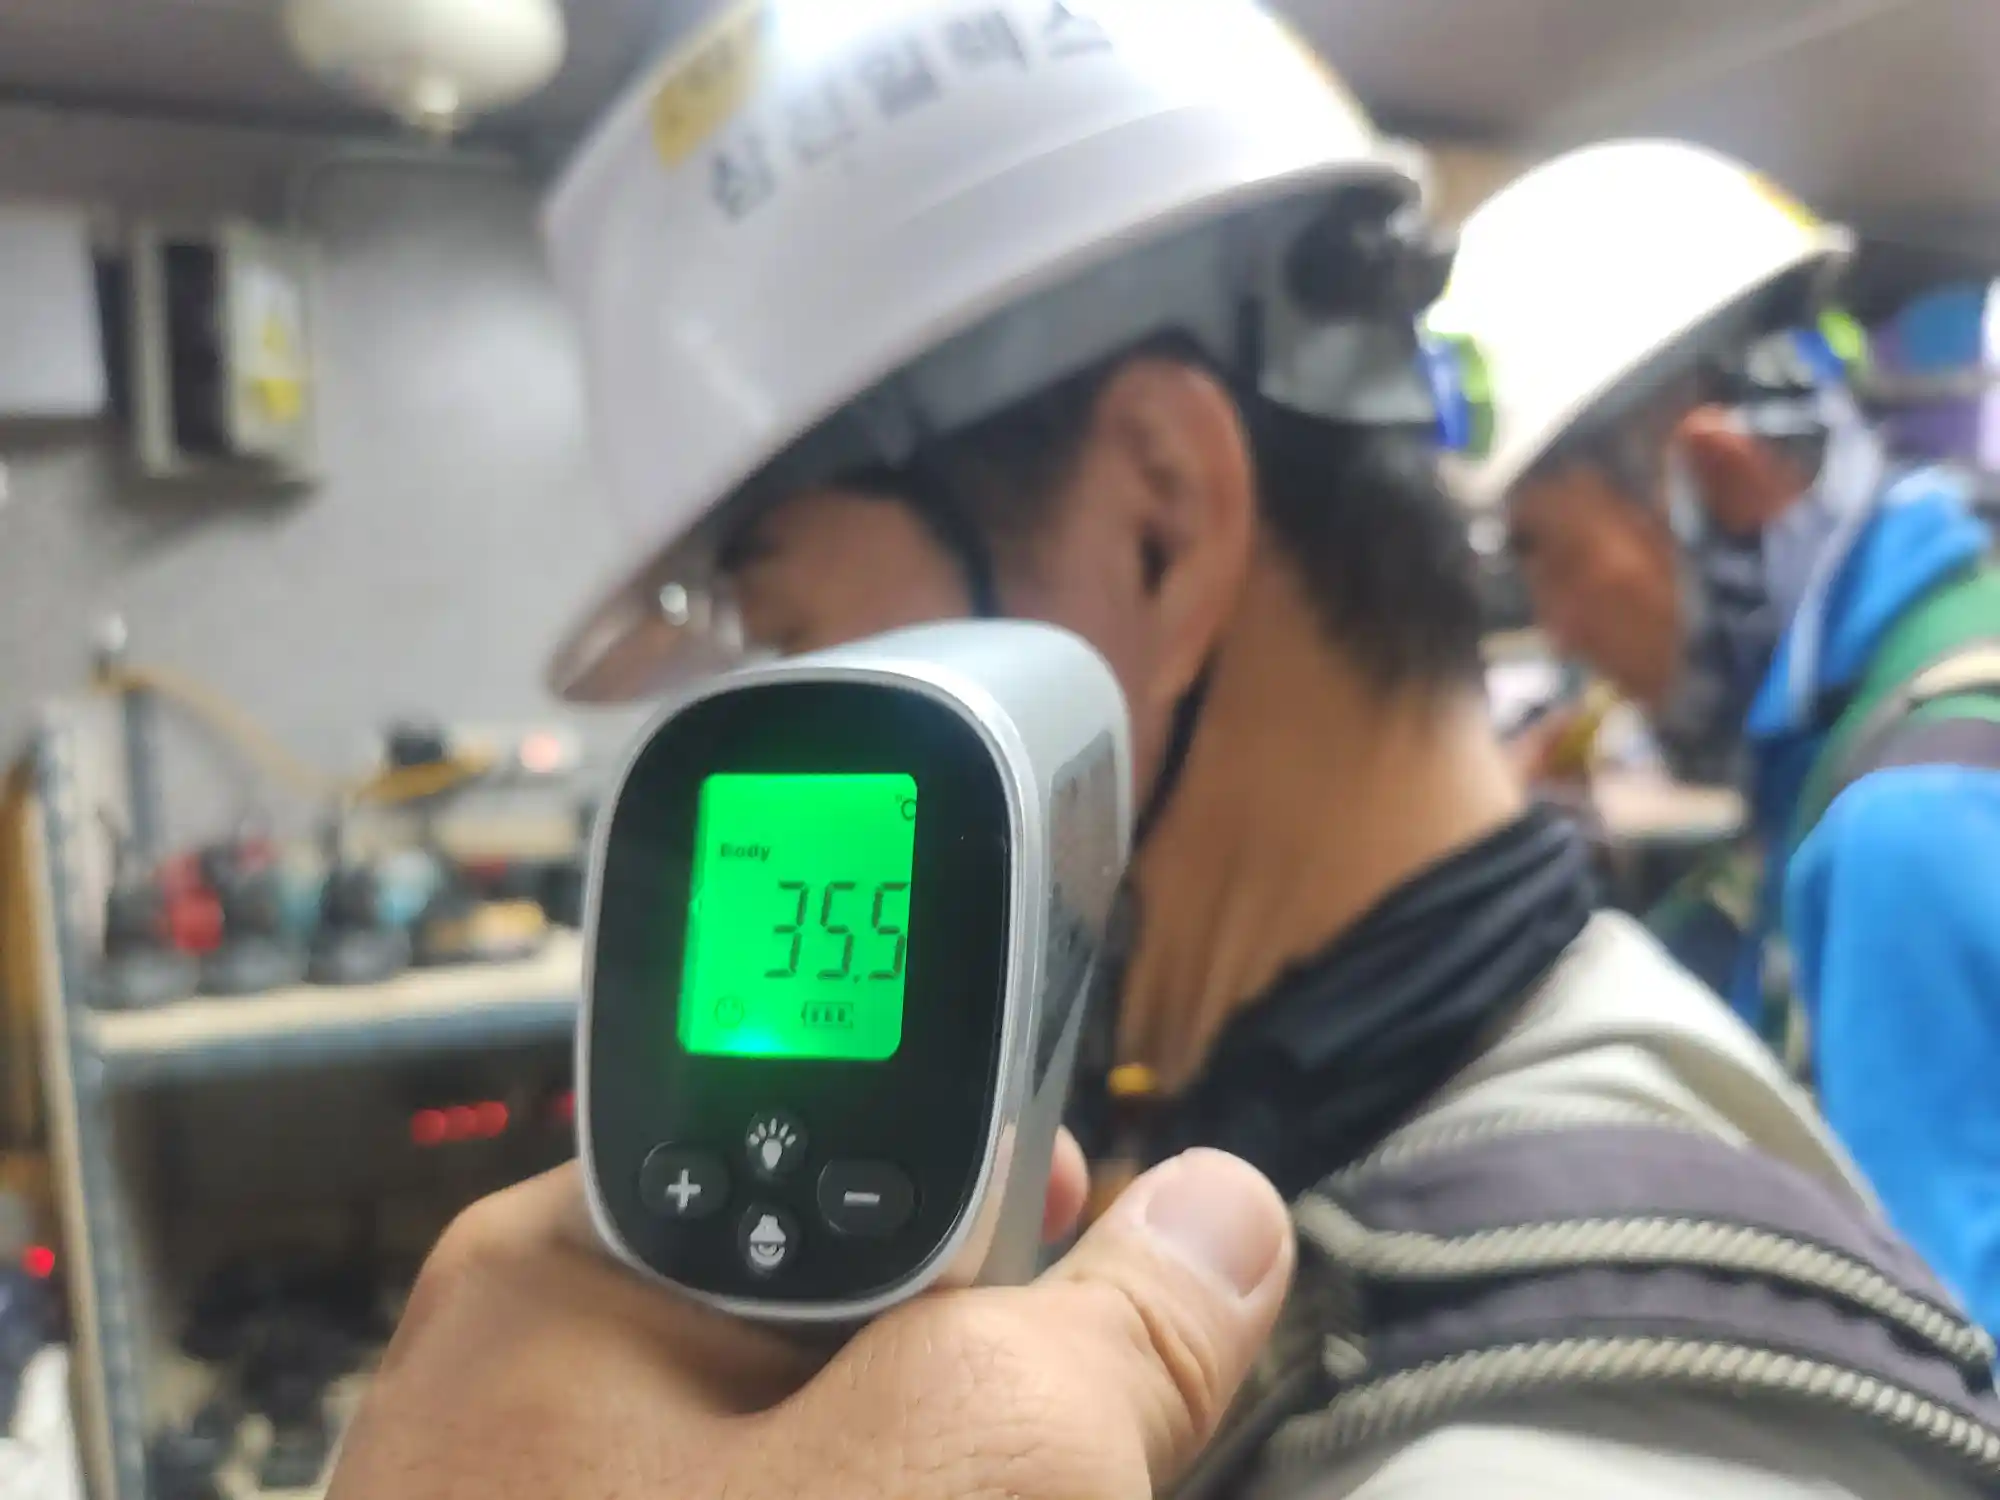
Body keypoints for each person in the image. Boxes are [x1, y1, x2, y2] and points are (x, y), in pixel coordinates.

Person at [332, 5, 2000, 1497]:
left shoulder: (1542, 1447)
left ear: (1161, 514)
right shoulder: (1327, 1112)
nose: (775, 712)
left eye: (791, 636)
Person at [1430, 139, 2000, 1333]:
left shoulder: (1896, 826)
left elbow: (1940, 1383)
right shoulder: (1928, 666)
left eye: (1544, 550)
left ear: (1719, 475)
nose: (1556, 628)